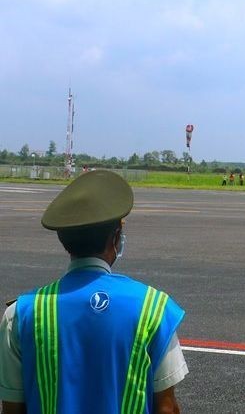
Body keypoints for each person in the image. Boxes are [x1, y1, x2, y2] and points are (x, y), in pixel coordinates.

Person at [0, 170, 187, 414]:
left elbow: (13, 408)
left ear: (65, 242)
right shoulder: (153, 308)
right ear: (116, 239)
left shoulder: (21, 314)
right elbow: (167, 407)